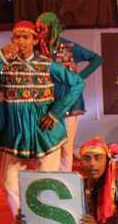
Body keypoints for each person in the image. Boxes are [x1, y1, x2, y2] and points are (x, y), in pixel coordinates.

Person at [0, 21, 85, 224]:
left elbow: (77, 83)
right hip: (16, 132)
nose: (20, 42)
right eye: (16, 37)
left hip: (45, 131)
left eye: (25, 37)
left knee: (45, 185)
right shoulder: (4, 64)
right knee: (9, 185)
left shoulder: (46, 64)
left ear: (34, 41)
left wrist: (56, 112)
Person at [36, 12, 104, 172]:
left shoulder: (69, 47)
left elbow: (97, 59)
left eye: (42, 28)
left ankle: (64, 178)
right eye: (37, 29)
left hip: (68, 100)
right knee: (47, 142)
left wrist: (79, 78)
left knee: (66, 145)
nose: (39, 33)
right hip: (46, 100)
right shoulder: (37, 50)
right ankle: (48, 176)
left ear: (52, 28)